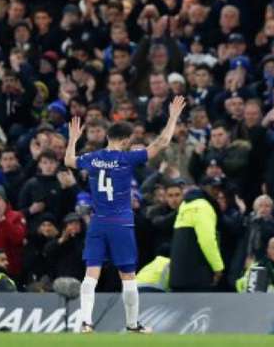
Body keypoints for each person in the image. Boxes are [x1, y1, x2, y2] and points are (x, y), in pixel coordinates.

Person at [65, 96, 186, 334]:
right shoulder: (126, 158)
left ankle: (85, 322)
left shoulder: (92, 158)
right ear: (127, 140)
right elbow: (162, 142)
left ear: (108, 137)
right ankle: (132, 324)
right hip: (120, 222)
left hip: (98, 222)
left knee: (92, 272)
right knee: (128, 275)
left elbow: (69, 160)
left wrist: (73, 140)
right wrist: (172, 117)